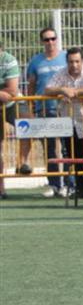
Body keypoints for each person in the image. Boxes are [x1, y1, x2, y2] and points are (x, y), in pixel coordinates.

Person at [44, 47, 83, 197]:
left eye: (77, 61)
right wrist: (62, 89)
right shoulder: (61, 73)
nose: (74, 65)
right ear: (67, 62)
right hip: (69, 122)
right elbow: (48, 89)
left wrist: (75, 92)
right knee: (74, 156)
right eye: (71, 61)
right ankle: (81, 188)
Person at [27, 28, 68, 196]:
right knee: (49, 149)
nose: (50, 42)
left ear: (57, 39)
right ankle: (53, 184)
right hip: (44, 109)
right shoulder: (36, 61)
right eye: (46, 39)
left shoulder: (66, 58)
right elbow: (31, 85)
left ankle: (68, 183)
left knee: (66, 148)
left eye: (53, 38)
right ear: (42, 42)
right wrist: (31, 107)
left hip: (65, 109)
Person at [0, 43, 20, 200]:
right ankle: (1, 189)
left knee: (33, 129)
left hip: (13, 106)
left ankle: (23, 164)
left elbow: (12, 92)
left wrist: (6, 93)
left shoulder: (9, 60)